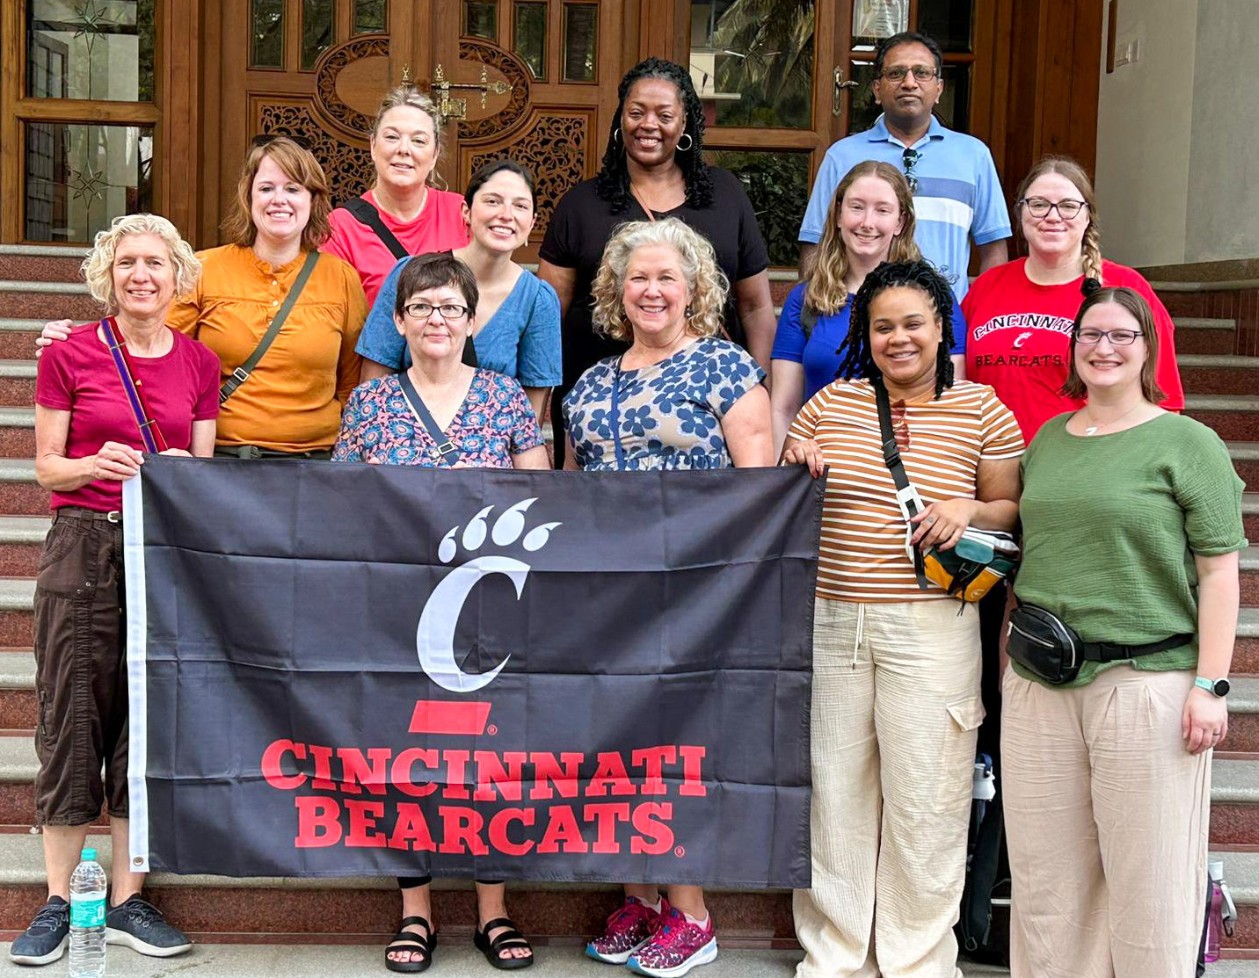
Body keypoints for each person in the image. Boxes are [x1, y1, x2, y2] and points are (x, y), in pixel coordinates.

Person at [780, 260, 1023, 978]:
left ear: (942, 325)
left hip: (934, 625)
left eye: (913, 323)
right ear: (864, 332)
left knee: (928, 795)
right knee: (835, 793)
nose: (898, 338)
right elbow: (789, 479)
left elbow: (1011, 511)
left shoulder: (984, 409)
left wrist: (968, 510)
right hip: (833, 617)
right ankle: (835, 953)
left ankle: (917, 960)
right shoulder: (831, 405)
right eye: (882, 326)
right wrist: (798, 453)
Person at [1003, 287, 1244, 978]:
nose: (1103, 348)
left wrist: (1211, 686)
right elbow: (1036, 557)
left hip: (1148, 685)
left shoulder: (1188, 443)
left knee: (1151, 884)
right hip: (1041, 686)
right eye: (1090, 335)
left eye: (1121, 336)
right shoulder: (1048, 438)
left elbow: (1221, 577)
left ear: (1148, 350)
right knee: (1048, 884)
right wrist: (1007, 669)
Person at [11, 214, 220, 966]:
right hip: (83, 544)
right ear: (107, 274)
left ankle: (129, 898)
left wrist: (173, 468)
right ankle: (59, 900)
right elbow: (45, 467)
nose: (141, 274)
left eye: (155, 263)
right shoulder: (70, 351)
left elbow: (201, 470)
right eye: (126, 261)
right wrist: (96, 462)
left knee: (146, 723)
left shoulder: (200, 362)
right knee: (71, 720)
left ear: (176, 277)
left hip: (158, 550)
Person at [564, 218, 771, 975]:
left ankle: (692, 912)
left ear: (695, 290)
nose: (652, 290)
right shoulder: (589, 383)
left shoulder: (724, 368)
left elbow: (758, 491)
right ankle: (639, 900)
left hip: (693, 594)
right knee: (615, 742)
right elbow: (565, 493)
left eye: (667, 278)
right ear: (618, 290)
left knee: (672, 748)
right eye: (638, 278)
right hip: (601, 596)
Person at [333, 254, 544, 973]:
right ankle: (415, 910)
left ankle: (493, 911)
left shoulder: (506, 397)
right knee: (404, 754)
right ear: (397, 320)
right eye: (421, 307)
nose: (436, 319)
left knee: (493, 754)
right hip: (397, 604)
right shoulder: (370, 405)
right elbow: (343, 503)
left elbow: (542, 493)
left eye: (450, 307)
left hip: (489, 603)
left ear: (471, 319)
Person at [41, 138, 367, 458]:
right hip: (225, 461)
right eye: (267, 188)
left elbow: (351, 382)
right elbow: (150, 349)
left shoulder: (340, 278)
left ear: (312, 199)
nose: (279, 199)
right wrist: (73, 342)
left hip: (313, 464)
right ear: (249, 198)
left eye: (293, 189)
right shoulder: (205, 270)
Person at [540, 57, 776, 465]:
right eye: (636, 112)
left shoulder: (725, 195)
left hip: (703, 399)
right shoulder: (580, 205)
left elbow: (755, 307)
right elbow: (548, 316)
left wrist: (754, 391)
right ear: (620, 119)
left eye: (664, 115)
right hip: (600, 401)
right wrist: (543, 404)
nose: (649, 125)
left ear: (685, 125)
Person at [962, 155, 1185, 442]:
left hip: (1083, 466)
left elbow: (1164, 399)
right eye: (1039, 204)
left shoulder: (1125, 287)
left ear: (1087, 215)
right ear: (1020, 213)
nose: (1052, 216)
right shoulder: (988, 286)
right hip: (992, 466)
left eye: (1068, 206)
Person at [771, 159, 968, 451]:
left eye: (882, 210)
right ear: (838, 215)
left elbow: (951, 399)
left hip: (912, 468)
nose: (867, 222)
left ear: (900, 221)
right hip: (823, 471)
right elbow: (784, 409)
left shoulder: (935, 298)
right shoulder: (806, 300)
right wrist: (782, 478)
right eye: (857, 207)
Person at [798, 31, 1010, 296]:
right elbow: (815, 245)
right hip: (855, 320)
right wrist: (816, 310)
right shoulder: (841, 157)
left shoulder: (974, 156)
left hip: (944, 322)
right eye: (896, 73)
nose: (909, 83)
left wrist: (979, 316)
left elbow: (993, 249)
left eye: (922, 73)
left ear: (939, 89)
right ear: (876, 88)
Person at [353, 160, 561, 423]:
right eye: (493, 201)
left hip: (489, 457)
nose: (506, 215)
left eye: (520, 206)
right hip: (404, 447)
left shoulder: (537, 300)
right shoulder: (410, 274)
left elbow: (532, 407)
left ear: (531, 223)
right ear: (466, 211)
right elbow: (375, 377)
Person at [322, 85, 470, 306]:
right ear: (373, 145)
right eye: (392, 137)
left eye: (419, 140)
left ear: (435, 154)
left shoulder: (461, 213)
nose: (404, 149)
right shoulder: (341, 227)